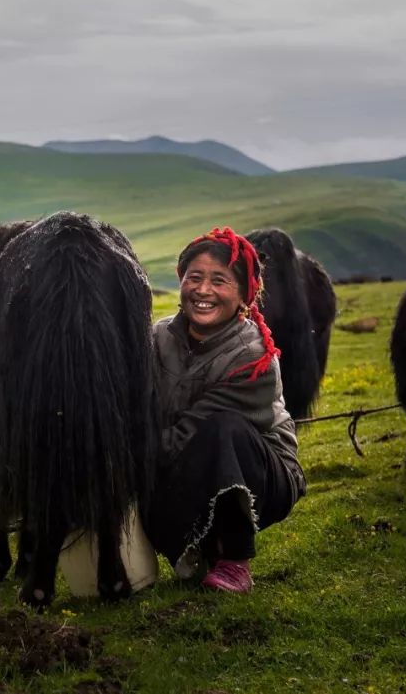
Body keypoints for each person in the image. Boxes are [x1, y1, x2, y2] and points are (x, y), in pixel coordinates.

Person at [147, 227, 306, 593]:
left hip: (263, 475)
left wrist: (132, 463)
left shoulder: (253, 358)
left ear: (243, 295)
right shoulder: (156, 339)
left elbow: (188, 434)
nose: (203, 291)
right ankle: (195, 545)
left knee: (223, 428)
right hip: (181, 460)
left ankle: (235, 559)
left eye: (219, 281)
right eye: (195, 278)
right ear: (181, 282)